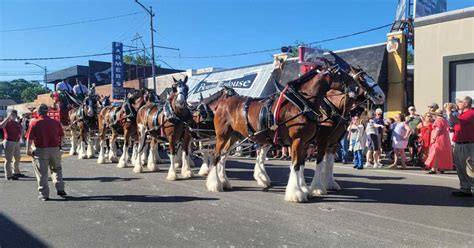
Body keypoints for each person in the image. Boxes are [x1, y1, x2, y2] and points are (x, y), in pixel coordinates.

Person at [26, 104, 67, 201]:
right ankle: (60, 188)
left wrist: (28, 150)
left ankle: (44, 194)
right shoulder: (55, 122)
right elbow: (62, 136)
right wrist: (59, 146)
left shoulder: (34, 123)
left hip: (41, 150)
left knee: (42, 173)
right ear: (47, 112)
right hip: (55, 149)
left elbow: (29, 138)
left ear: (38, 112)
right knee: (57, 169)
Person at [447, 96, 474, 197]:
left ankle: (471, 187)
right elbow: (457, 125)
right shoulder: (462, 114)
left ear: (466, 104)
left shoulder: (471, 113)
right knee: (459, 167)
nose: (457, 103)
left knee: (469, 167)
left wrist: (448, 111)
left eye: (460, 101)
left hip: (467, 144)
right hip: (459, 143)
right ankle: (465, 188)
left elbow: (455, 121)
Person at [424, 110, 453, 174]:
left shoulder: (438, 120)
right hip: (444, 138)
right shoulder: (444, 120)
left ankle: (433, 168)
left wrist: (434, 137)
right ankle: (441, 167)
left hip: (439, 138)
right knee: (441, 153)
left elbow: (438, 129)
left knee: (435, 153)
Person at [0, 110, 24, 180]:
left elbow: (21, 130)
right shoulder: (7, 122)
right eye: (12, 114)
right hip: (9, 141)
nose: (14, 116)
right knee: (8, 159)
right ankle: (8, 175)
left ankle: (16, 172)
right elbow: (1, 126)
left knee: (17, 158)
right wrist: (8, 118)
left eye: (15, 114)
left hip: (16, 142)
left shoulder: (16, 122)